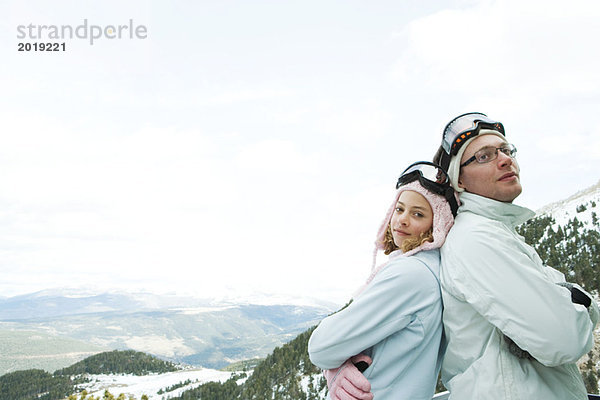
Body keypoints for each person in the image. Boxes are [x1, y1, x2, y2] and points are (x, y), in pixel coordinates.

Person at [432, 112, 600, 399]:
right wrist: (576, 301)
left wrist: (570, 303)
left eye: (506, 150)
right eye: (484, 156)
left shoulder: (497, 232)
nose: (505, 159)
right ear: (459, 180)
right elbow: (565, 338)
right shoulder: (477, 239)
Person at [308, 161, 456, 400]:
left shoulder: (411, 274)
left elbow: (321, 346)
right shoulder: (432, 269)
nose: (403, 220)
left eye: (418, 214)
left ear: (437, 224)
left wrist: (333, 364)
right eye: (399, 209)